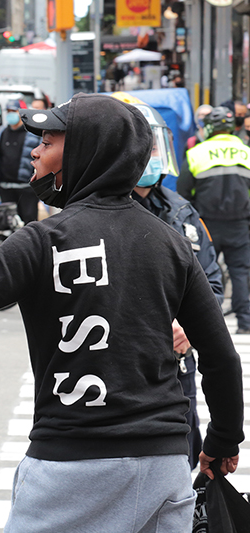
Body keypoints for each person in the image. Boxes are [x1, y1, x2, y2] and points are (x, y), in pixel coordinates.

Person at [0, 93, 244, 531]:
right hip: (164, 462)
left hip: (72, 465)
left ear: (87, 151)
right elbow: (220, 357)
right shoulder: (169, 242)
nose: (35, 150)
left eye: (48, 140)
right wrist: (222, 441)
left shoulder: (44, 240)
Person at [125, 100, 223, 469]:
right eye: (141, 146)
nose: (148, 155)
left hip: (178, 363)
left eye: (153, 146)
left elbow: (211, 280)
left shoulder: (182, 211)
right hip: (124, 368)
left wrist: (188, 327)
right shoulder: (98, 211)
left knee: (183, 452)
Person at [178, 106, 250, 334]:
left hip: (206, 224)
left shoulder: (196, 153)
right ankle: (245, 323)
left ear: (209, 127)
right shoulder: (246, 152)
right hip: (240, 223)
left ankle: (206, 323)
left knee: (205, 273)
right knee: (240, 273)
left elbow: (183, 192)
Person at [0, 98, 41, 223]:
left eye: (13, 111)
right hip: (5, 186)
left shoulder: (32, 132)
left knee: (29, 221)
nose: (10, 114)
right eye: (8, 111)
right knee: (9, 223)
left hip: (26, 188)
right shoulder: (2, 131)